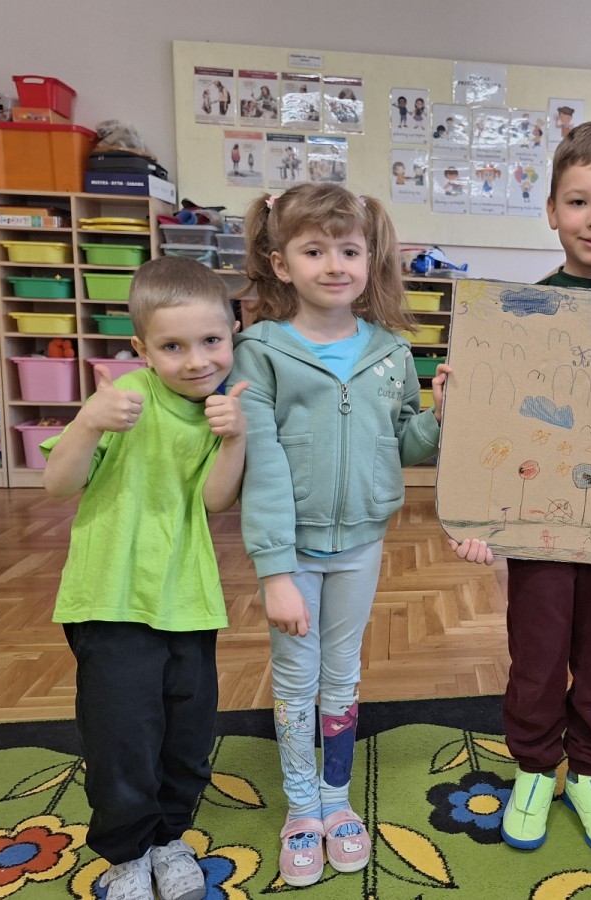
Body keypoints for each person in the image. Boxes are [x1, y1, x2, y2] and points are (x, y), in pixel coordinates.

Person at [231, 184, 476, 887]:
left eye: (348, 250)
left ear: (370, 259)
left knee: (342, 674)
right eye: (314, 251)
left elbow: (404, 446)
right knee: (295, 678)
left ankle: (335, 800)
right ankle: (300, 808)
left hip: (363, 544)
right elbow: (261, 467)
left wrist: (440, 417)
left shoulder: (392, 352)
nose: (334, 265)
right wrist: (275, 571)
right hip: (293, 552)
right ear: (282, 264)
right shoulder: (260, 351)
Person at [42, 256, 248, 900]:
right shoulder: (123, 397)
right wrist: (88, 423)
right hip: (109, 598)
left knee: (189, 734)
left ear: (234, 333)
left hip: (188, 599)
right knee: (121, 737)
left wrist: (234, 440)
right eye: (172, 347)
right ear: (142, 349)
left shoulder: (222, 407)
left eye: (210, 341)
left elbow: (215, 501)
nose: (196, 360)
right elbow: (57, 485)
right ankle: (127, 853)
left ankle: (169, 837)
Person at [496, 121, 591, 855]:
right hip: (542, 520)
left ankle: (588, 768)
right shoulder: (521, 310)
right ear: (551, 210)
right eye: (579, 201)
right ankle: (534, 766)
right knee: (536, 651)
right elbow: (499, 426)